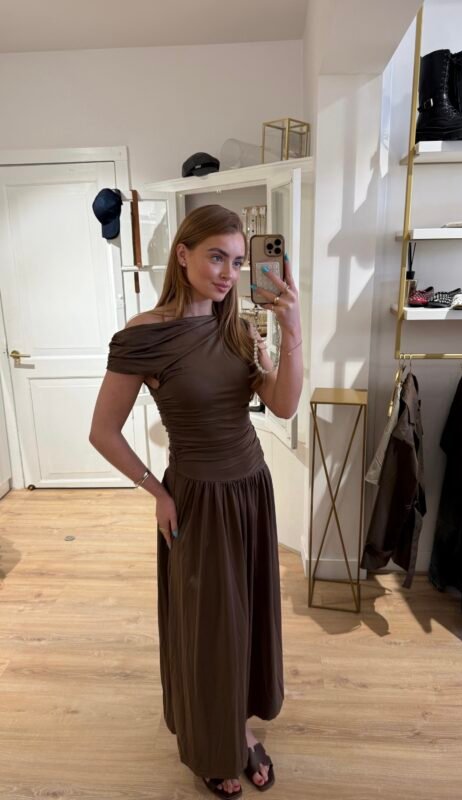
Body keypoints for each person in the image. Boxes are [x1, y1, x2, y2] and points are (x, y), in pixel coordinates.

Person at [89, 204, 303, 798]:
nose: (229, 273)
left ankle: (236, 726)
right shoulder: (143, 335)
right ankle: (212, 745)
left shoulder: (242, 329)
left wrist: (291, 329)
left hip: (251, 490)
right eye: (216, 257)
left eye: (237, 261)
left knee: (245, 619)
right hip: (197, 502)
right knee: (211, 628)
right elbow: (102, 432)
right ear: (182, 254)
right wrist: (156, 491)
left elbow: (284, 405)